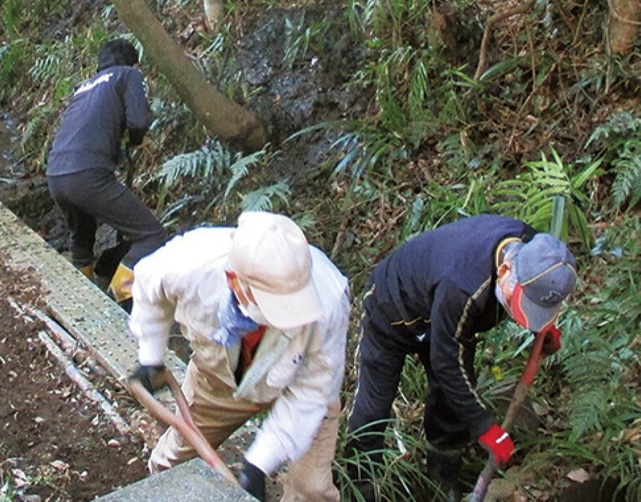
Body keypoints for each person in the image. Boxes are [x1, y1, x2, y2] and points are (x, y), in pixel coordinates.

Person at [345, 214, 577, 499]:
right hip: (391, 307)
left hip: (447, 315)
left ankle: (441, 480)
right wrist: (485, 427)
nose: (521, 315)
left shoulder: (537, 253)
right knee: (372, 408)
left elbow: (536, 291)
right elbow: (447, 364)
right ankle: (360, 487)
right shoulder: (463, 284)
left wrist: (542, 326)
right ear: (505, 269)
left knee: (451, 402)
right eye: (520, 304)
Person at [130, 211, 350, 502]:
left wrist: (257, 465)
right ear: (234, 281)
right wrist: (151, 357)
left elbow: (311, 395)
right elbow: (148, 287)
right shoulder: (191, 264)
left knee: (312, 490)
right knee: (171, 468)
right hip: (219, 380)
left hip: (300, 386)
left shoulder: (327, 303)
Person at [46, 38, 164, 304]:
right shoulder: (128, 75)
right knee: (151, 235)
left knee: (82, 236)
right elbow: (138, 121)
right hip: (87, 174)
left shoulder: (83, 88)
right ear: (134, 64)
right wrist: (137, 140)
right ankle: (113, 303)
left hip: (56, 173)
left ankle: (81, 301)